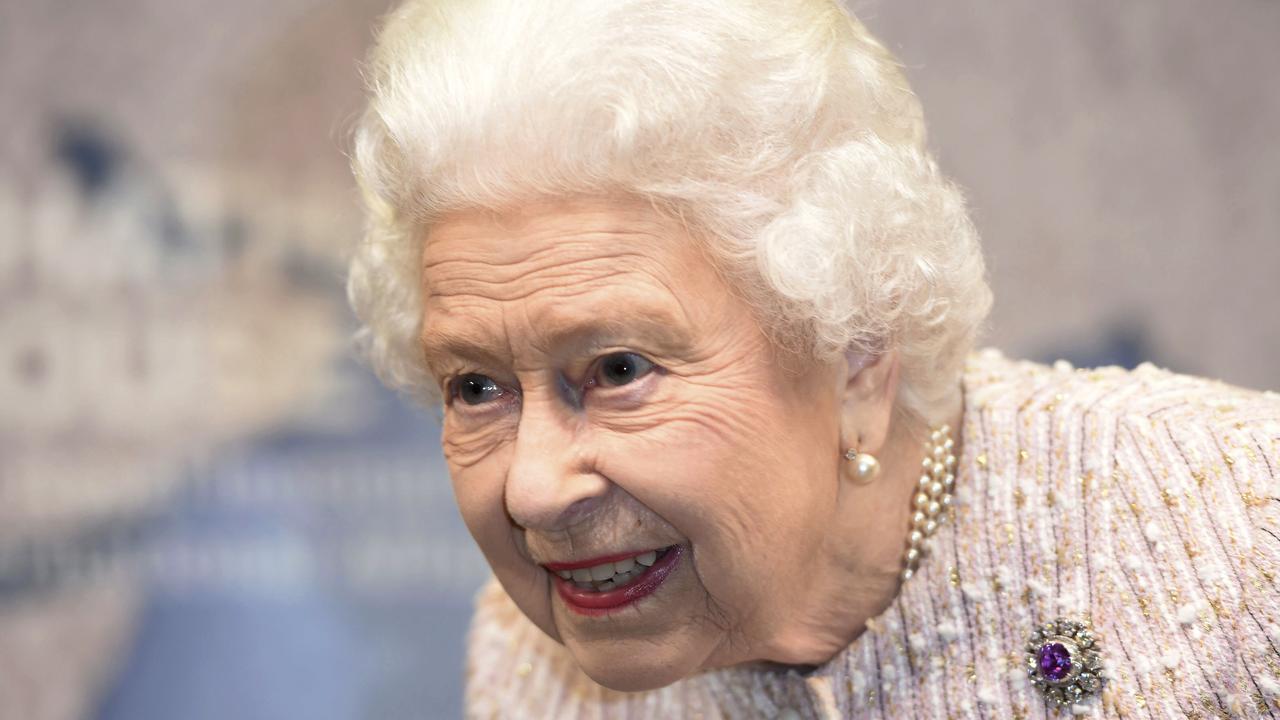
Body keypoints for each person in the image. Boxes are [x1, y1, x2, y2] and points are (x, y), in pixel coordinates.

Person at [345, 0, 1280, 716]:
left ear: (858, 356)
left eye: (619, 370)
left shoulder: (1241, 527)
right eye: (476, 387)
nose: (534, 490)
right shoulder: (527, 668)